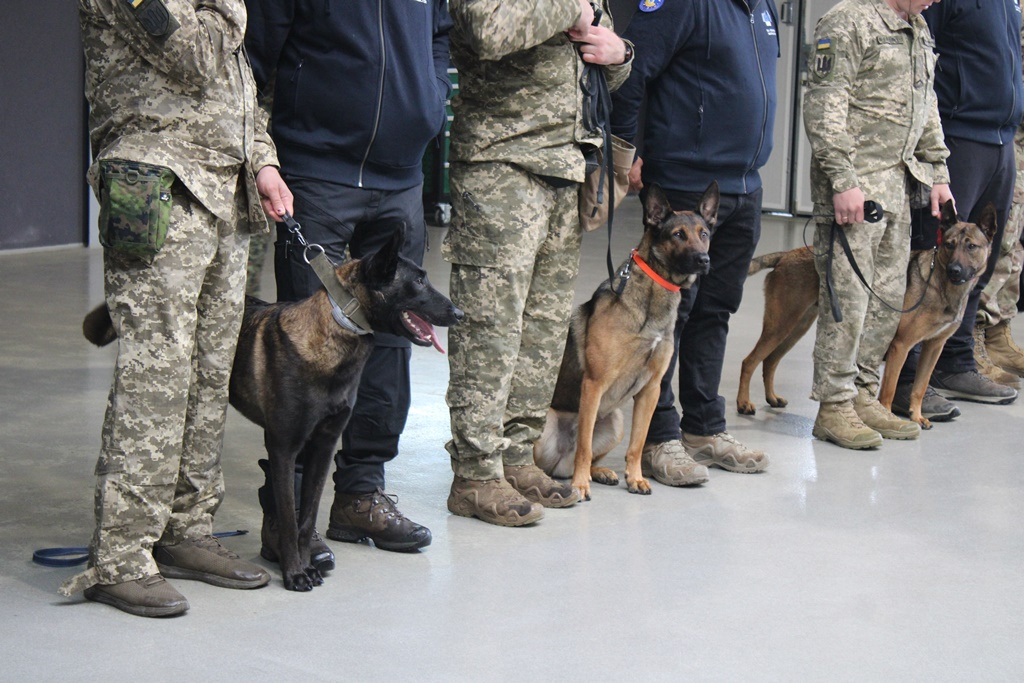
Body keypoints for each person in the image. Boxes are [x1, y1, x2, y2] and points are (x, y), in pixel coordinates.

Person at [60, 0, 294, 617]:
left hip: (225, 192)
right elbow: (193, 53)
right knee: (155, 377)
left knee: (209, 373)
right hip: (161, 185)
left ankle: (185, 529)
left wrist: (263, 159)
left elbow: (235, 81)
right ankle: (121, 555)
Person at [244, 0, 453, 556]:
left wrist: (431, 99)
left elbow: (438, 34)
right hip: (317, 171)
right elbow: (254, 55)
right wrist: (263, 155)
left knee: (393, 340)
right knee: (302, 354)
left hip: (402, 177)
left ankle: (361, 494)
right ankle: (287, 518)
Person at [443, 0, 632, 525]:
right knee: (490, 331)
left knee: (542, 333)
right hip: (500, 161)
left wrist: (619, 54)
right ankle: (475, 474)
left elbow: (595, 62)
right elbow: (486, 29)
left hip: (565, 167)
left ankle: (515, 456)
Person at [609, 0, 778, 486]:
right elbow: (632, 68)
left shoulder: (762, 9)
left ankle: (704, 427)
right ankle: (658, 438)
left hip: (742, 187)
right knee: (667, 319)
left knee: (716, 310)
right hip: (684, 183)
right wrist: (625, 148)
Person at [803, 0, 953, 450]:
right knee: (847, 302)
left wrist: (938, 171)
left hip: (898, 189)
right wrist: (842, 180)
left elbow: (926, 104)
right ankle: (834, 405)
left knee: (885, 301)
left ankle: (863, 394)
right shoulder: (848, 20)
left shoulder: (917, 28)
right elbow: (825, 104)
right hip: (855, 191)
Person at [892, 0, 1023, 415]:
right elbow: (916, 52)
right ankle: (905, 380)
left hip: (1001, 140)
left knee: (979, 264)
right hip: (958, 136)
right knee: (934, 262)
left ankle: (956, 363)